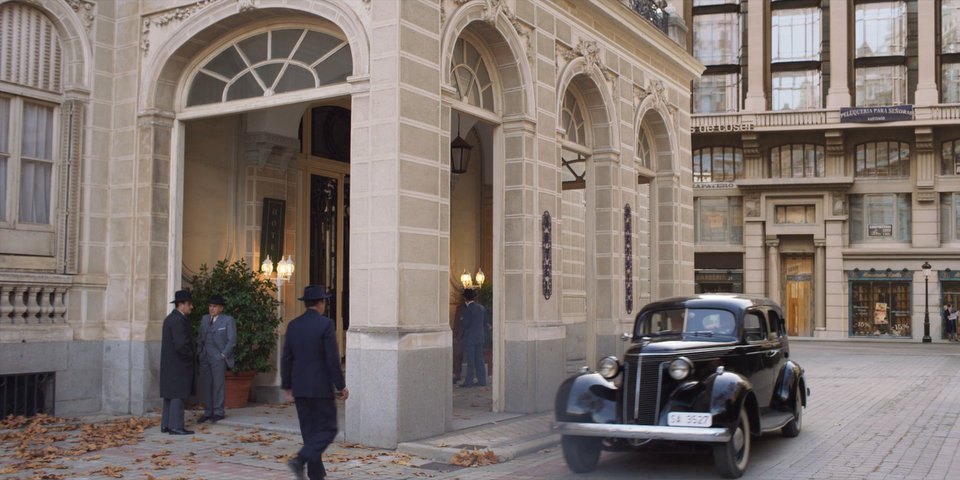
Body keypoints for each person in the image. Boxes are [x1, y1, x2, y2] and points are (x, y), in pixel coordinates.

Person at [282, 285, 348, 480]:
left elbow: (286, 358)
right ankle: (300, 460)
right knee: (328, 428)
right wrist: (340, 385)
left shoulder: (293, 325)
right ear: (320, 303)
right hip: (320, 388)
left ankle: (315, 474)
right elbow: (332, 359)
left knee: (310, 433)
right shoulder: (325, 325)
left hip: (300, 388)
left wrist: (287, 386)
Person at [160, 289, 196, 435]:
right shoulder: (178, 320)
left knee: (170, 395)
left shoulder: (170, 319)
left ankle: (166, 425)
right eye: (189, 304)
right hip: (179, 364)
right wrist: (190, 356)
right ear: (182, 305)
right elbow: (181, 344)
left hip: (171, 364)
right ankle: (175, 426)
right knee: (177, 395)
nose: (191, 307)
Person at [197, 294, 236, 423]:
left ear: (221, 308)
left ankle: (218, 412)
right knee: (205, 385)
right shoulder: (204, 319)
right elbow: (200, 337)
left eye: (214, 306)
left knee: (218, 384)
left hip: (218, 356)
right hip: (205, 356)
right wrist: (200, 352)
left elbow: (232, 340)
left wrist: (223, 355)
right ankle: (208, 412)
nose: (211, 309)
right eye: (210, 306)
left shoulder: (227, 320)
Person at [459, 288, 489, 388]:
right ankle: (482, 380)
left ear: (465, 298)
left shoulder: (468, 310)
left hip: (470, 339)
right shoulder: (481, 307)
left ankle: (469, 381)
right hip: (480, 337)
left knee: (470, 361)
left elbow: (466, 324)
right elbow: (485, 323)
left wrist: (462, 319)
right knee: (480, 359)